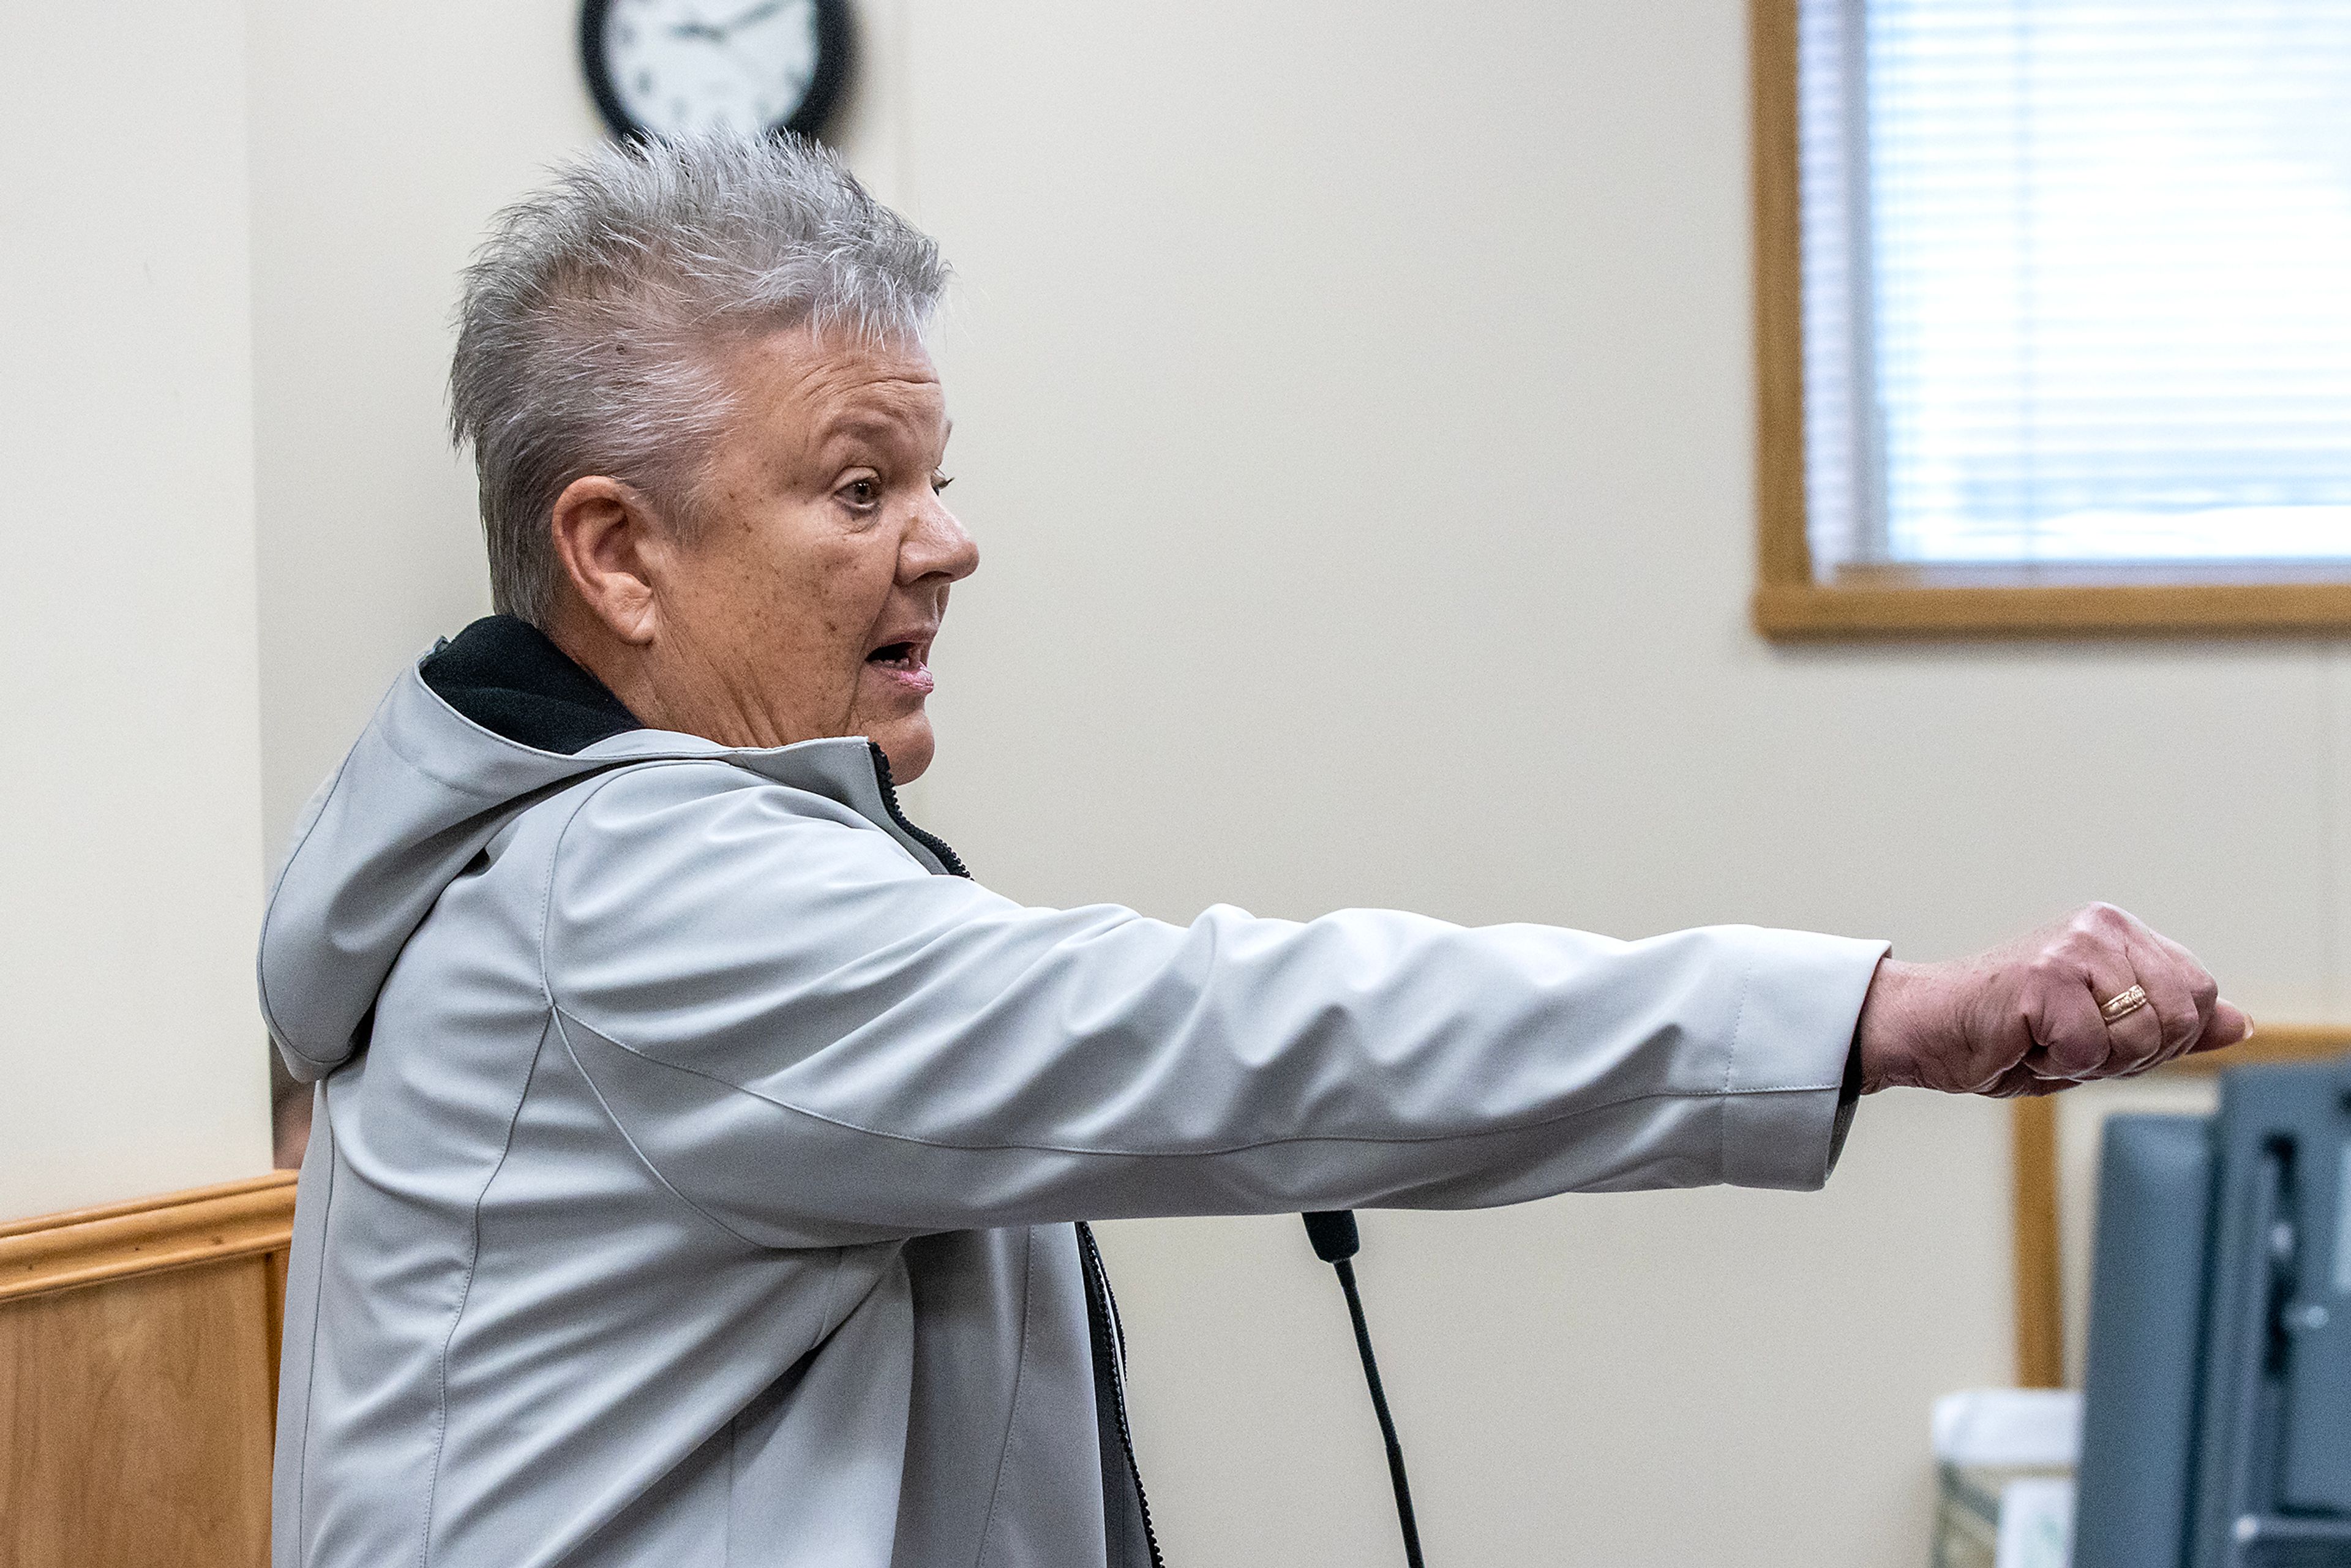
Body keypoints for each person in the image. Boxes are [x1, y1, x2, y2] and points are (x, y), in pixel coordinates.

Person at [257, 133, 2248, 1568]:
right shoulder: (634, 905)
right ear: (618, 553)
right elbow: (1242, 1030)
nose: (945, 543)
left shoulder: (590, 866)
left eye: (939, 480)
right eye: (859, 487)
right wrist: (1884, 1011)